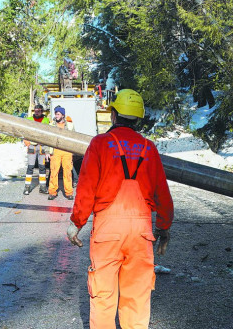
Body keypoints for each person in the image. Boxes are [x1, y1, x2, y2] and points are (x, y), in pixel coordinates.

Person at [67, 89, 173, 329]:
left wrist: (76, 223)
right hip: (141, 232)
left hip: (108, 231)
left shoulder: (100, 144)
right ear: (137, 118)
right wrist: (164, 228)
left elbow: (86, 187)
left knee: (103, 298)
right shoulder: (149, 147)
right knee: (136, 298)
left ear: (113, 115)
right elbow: (163, 195)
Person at [48, 106, 75, 200]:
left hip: (67, 152)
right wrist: (48, 151)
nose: (56, 115)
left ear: (63, 115)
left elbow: (74, 139)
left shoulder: (70, 125)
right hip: (55, 151)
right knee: (54, 172)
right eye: (55, 114)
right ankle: (52, 192)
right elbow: (48, 138)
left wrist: (73, 151)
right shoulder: (51, 125)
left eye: (58, 114)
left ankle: (69, 192)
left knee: (67, 172)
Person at [23, 104, 51, 195]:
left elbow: (48, 135)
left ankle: (43, 187)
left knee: (42, 167)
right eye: (36, 110)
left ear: (42, 111)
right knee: (30, 167)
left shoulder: (46, 120)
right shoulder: (29, 120)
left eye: (39, 111)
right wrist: (26, 142)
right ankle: (27, 187)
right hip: (32, 146)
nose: (37, 112)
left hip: (42, 147)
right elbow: (25, 131)